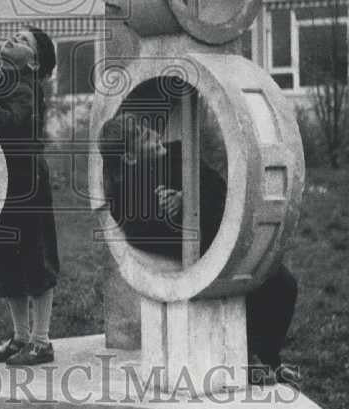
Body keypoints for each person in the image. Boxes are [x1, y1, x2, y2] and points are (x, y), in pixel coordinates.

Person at [98, 112, 299, 385]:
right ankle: (250, 359)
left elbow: (221, 191)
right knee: (252, 287)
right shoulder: (125, 196)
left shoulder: (180, 152)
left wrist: (186, 199)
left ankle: (269, 357)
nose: (157, 137)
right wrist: (168, 217)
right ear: (130, 158)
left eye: (150, 130)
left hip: (220, 236)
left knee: (283, 284)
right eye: (146, 138)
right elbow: (144, 236)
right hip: (196, 257)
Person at [0, 26, 59, 366]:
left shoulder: (27, 89)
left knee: (36, 258)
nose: (11, 39)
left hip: (26, 184)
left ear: (33, 64)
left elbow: (7, 125)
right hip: (1, 184)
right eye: (13, 36)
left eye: (23, 41)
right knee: (6, 260)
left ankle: (42, 341)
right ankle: (20, 338)